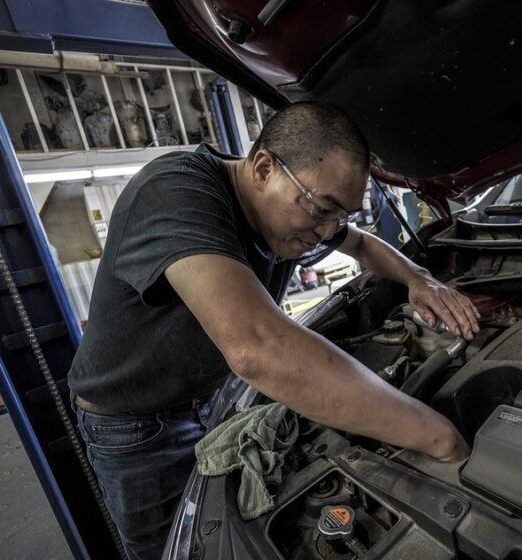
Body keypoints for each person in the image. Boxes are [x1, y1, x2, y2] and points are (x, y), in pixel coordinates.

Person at [67, 101, 478, 560]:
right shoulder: (175, 193)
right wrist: (436, 437)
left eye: (339, 215)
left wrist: (417, 278)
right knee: (175, 551)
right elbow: (256, 348)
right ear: (264, 168)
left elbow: (360, 242)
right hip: (138, 426)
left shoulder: (289, 205)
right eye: (322, 209)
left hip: (216, 398)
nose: (326, 233)